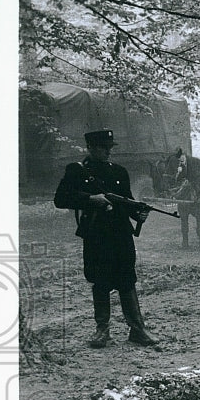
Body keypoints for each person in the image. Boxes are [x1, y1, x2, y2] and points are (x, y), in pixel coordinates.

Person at [54, 129, 158, 348]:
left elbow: (127, 201)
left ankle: (137, 329)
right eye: (103, 147)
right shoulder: (77, 171)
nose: (108, 151)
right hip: (96, 235)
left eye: (110, 147)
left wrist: (138, 213)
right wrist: (91, 198)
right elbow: (61, 199)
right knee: (100, 280)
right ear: (90, 148)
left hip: (121, 234)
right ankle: (102, 332)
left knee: (127, 279)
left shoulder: (119, 171)